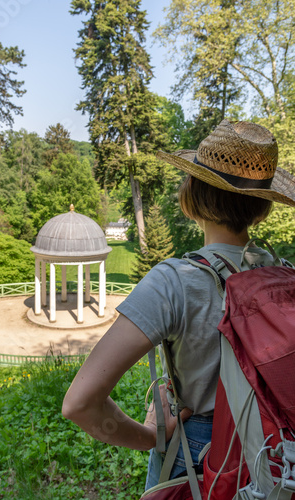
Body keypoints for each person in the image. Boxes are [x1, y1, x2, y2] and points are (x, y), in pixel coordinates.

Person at [62, 119, 295, 490]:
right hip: (274, 456)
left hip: (199, 457)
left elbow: (79, 404)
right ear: (263, 206)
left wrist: (153, 436)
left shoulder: (175, 281)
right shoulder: (286, 276)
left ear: (193, 192)